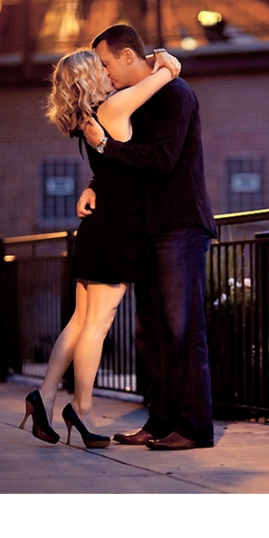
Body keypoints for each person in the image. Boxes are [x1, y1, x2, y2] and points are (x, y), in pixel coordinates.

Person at [18, 46, 181, 448]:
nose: (109, 72)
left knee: (80, 320)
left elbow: (109, 171)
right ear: (92, 76)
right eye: (102, 67)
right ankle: (83, 410)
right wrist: (161, 58)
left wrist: (90, 187)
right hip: (117, 229)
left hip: (98, 226)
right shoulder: (115, 107)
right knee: (98, 324)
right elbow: (167, 74)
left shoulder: (89, 117)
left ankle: (45, 395)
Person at [78, 24, 217, 451]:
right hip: (146, 230)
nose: (104, 73)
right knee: (152, 331)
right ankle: (159, 422)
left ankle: (193, 428)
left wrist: (106, 148)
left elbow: (160, 160)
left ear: (126, 56)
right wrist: (96, 185)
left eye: (105, 63)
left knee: (182, 329)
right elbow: (125, 169)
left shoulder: (176, 95)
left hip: (179, 226)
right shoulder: (134, 101)